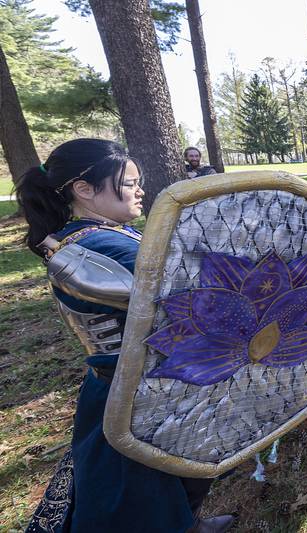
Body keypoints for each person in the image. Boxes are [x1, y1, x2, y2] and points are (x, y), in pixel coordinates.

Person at [17, 139, 233, 532]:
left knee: (171, 473)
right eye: (129, 182)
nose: (140, 190)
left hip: (134, 382)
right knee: (138, 497)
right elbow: (195, 292)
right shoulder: (101, 243)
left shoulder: (98, 234)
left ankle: (190, 523)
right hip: (138, 389)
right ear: (83, 189)